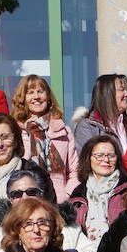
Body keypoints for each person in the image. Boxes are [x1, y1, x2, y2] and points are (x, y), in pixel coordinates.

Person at [14, 73, 77, 204]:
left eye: (40, 91)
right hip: (25, 202)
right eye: (30, 92)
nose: (36, 96)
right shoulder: (16, 131)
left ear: (48, 97)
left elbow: (75, 169)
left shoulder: (63, 131)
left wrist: (66, 194)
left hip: (58, 203)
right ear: (23, 99)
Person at [68, 135, 127, 252]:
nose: (106, 160)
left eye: (111, 155)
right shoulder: (78, 195)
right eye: (99, 155)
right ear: (88, 158)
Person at [74, 73, 127, 151]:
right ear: (107, 93)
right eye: (122, 90)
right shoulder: (88, 126)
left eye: (126, 90)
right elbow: (85, 158)